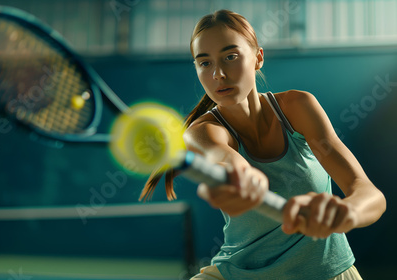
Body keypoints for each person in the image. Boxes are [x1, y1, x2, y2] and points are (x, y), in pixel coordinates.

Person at [139, 10, 386, 280]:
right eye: (205, 63)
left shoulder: (298, 107)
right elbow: (227, 163)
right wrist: (241, 179)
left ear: (258, 58)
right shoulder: (202, 132)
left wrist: (345, 213)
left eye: (230, 57)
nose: (218, 74)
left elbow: (369, 194)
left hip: (330, 272)